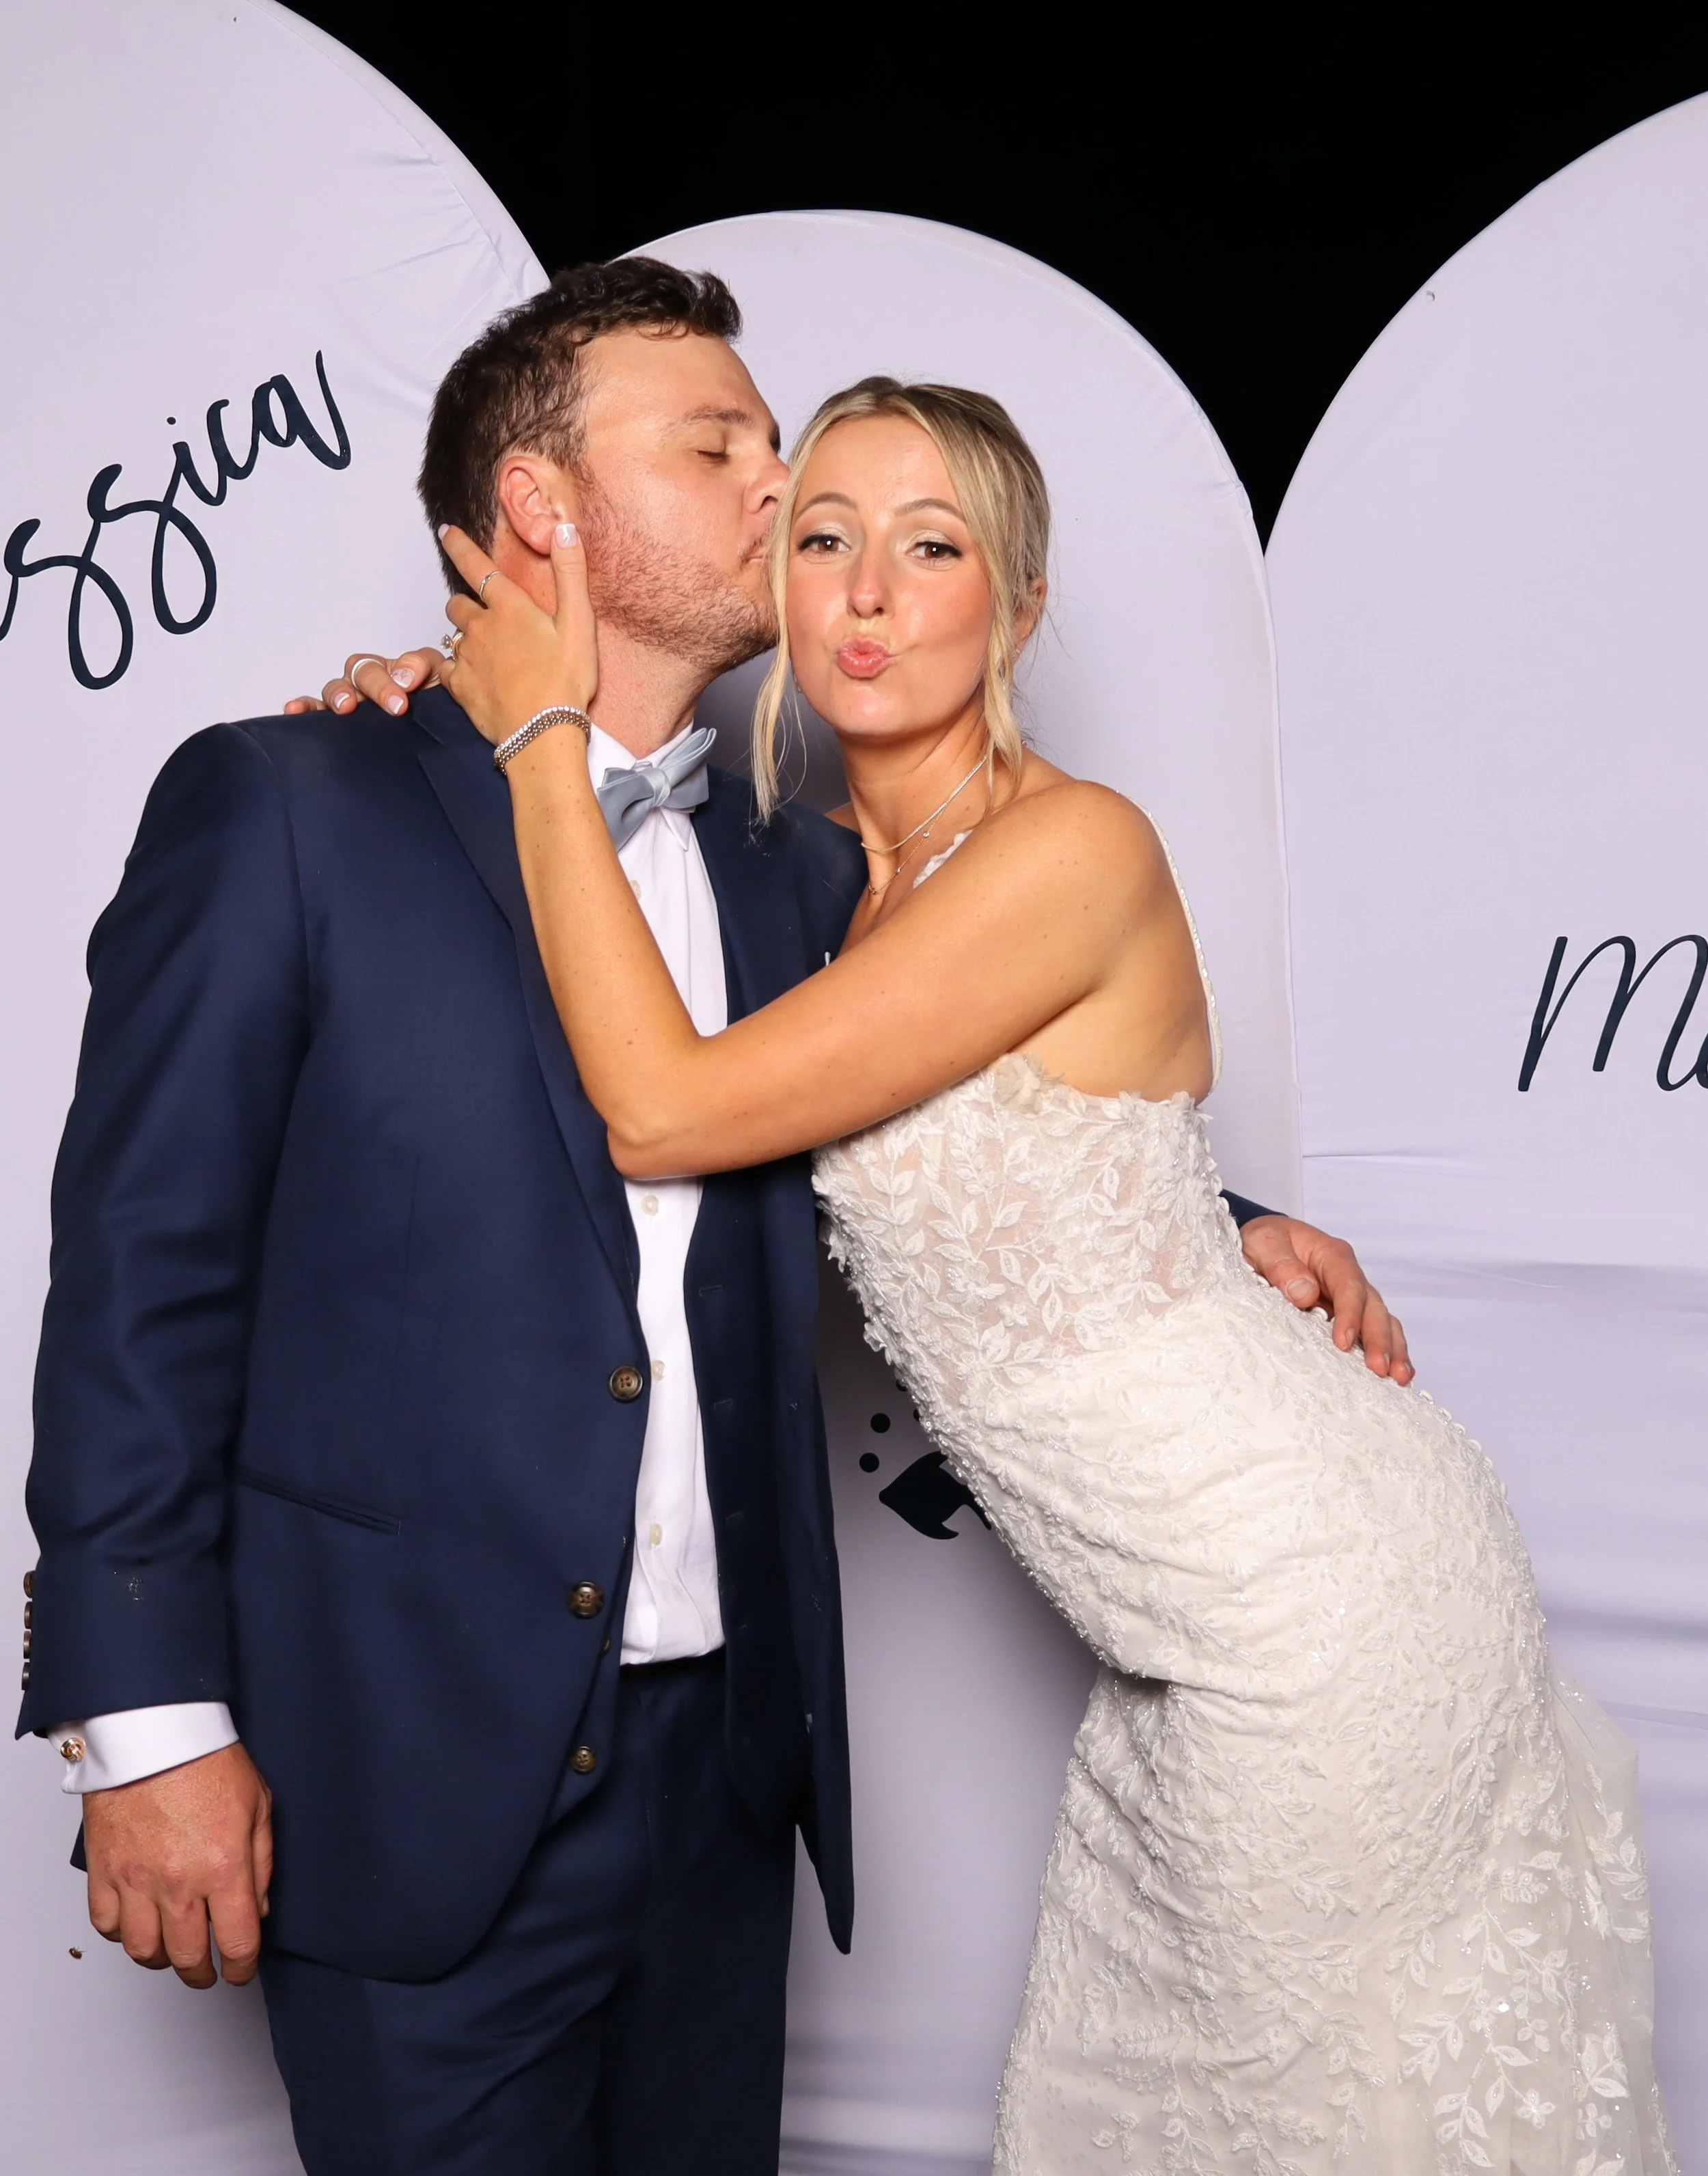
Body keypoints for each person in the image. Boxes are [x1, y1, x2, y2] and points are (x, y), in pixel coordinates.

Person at [20, 260, 1403, 2176]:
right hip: (406, 1762)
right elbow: (139, 1286)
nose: (781, 485)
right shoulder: (290, 803)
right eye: (721, 443)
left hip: (727, 1777)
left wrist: (1204, 1216)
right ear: (541, 513)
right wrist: (145, 1722)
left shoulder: (792, 853)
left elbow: (930, 1113)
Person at [428, 371, 1677, 2173]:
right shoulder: (818, 885)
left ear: (1013, 608)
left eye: (928, 549)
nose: (864, 592)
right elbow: (1025, 1146)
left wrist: (531, 736)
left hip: (1318, 1609)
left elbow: (664, 1112)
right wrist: (1226, 1215)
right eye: (822, 539)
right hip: (1187, 1638)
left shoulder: (1064, 850)